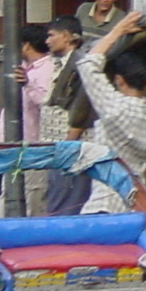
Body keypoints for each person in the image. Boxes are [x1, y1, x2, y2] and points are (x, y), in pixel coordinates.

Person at [75, 12, 146, 212]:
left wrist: (117, 31)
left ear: (118, 80)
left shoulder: (115, 108)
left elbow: (89, 65)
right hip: (136, 197)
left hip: (107, 200)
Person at [39, 17, 92, 216]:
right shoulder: (61, 64)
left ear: (67, 36)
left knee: (65, 207)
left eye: (51, 35)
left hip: (70, 151)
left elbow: (82, 108)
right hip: (58, 149)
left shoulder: (79, 65)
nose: (47, 41)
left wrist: (68, 147)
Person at [0, 24, 54, 142]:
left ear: (26, 45)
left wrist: (28, 85)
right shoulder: (23, 66)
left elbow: (46, 102)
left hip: (29, 139)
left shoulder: (47, 68)